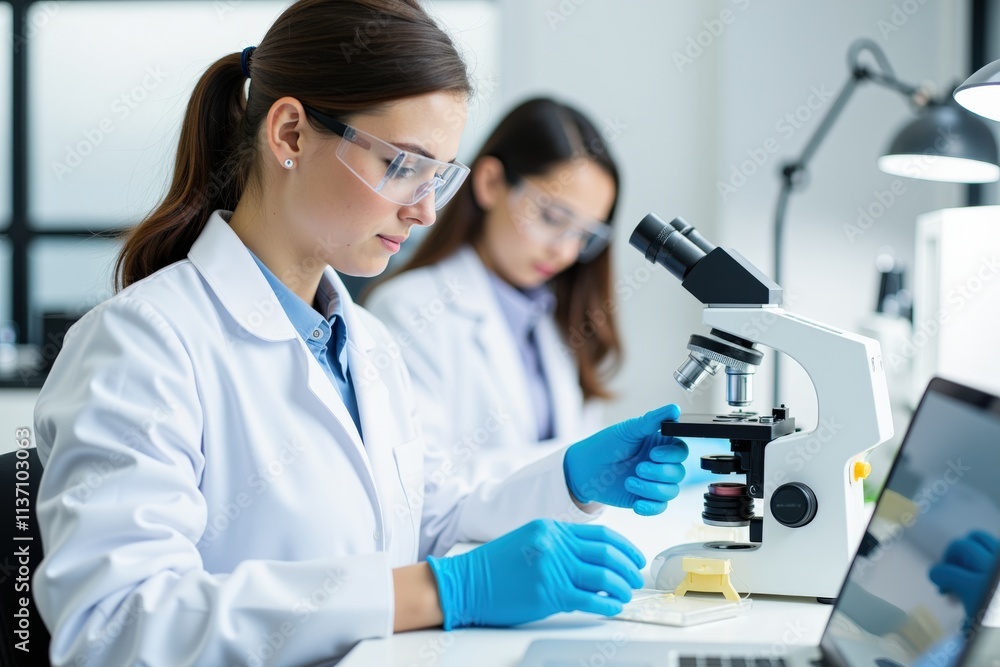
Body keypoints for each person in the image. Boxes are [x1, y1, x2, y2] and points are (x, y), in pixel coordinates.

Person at [31, 1, 688, 665]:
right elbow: (113, 624)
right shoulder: (140, 342)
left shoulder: (365, 342)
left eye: (440, 175)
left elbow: (430, 517)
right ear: (289, 134)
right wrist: (440, 590)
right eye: (404, 165)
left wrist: (573, 477)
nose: (427, 209)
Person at [365, 97, 621, 492]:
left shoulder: (557, 316)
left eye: (585, 235)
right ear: (490, 184)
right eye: (553, 218)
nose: (566, 252)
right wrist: (571, 468)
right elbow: (416, 485)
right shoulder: (409, 309)